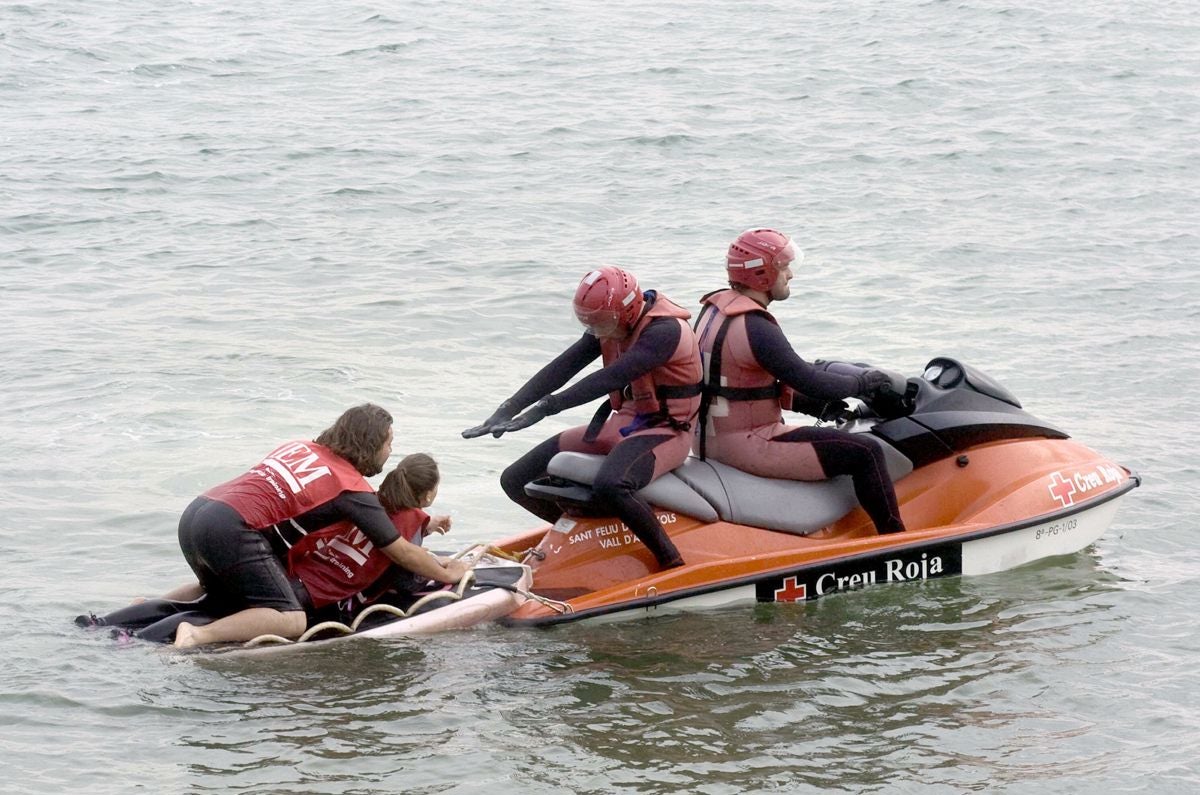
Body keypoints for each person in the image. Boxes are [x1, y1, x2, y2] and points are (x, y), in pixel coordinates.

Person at [463, 266, 703, 570]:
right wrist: (508, 408)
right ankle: (592, 539)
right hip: (623, 424)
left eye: (603, 325)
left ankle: (672, 561)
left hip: (666, 430)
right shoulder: (611, 321)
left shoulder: (664, 332)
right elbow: (564, 366)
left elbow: (610, 376)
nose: (598, 333)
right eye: (593, 326)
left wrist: (545, 408)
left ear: (627, 312)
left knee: (612, 484)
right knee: (515, 480)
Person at [172, 404, 470, 648]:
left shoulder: (301, 446)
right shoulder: (352, 487)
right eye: (388, 443)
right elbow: (402, 551)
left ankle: (154, 606)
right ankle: (199, 635)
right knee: (291, 618)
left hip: (199, 512)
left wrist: (426, 525)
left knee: (215, 589)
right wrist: (445, 572)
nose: (390, 451)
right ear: (370, 445)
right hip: (232, 530)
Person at [693, 228, 907, 535]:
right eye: (784, 267)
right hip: (747, 443)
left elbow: (742, 385)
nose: (790, 274)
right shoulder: (756, 327)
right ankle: (895, 540)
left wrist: (820, 408)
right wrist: (866, 383)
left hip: (710, 441)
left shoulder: (712, 312)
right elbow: (811, 381)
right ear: (763, 275)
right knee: (866, 453)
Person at [287, 452, 457, 621]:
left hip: (298, 576)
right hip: (324, 599)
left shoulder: (369, 502)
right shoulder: (412, 521)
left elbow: (384, 534)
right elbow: (405, 582)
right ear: (428, 494)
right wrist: (437, 566)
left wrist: (425, 528)